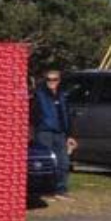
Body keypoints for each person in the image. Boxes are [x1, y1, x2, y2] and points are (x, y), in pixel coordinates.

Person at [31, 69, 77, 199]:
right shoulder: (39, 94)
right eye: (49, 79)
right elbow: (32, 114)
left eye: (54, 79)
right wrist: (34, 130)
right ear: (45, 81)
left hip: (60, 134)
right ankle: (44, 191)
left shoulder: (63, 95)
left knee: (63, 162)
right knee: (45, 163)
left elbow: (67, 116)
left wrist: (70, 135)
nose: (52, 82)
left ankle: (60, 190)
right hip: (44, 133)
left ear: (59, 80)